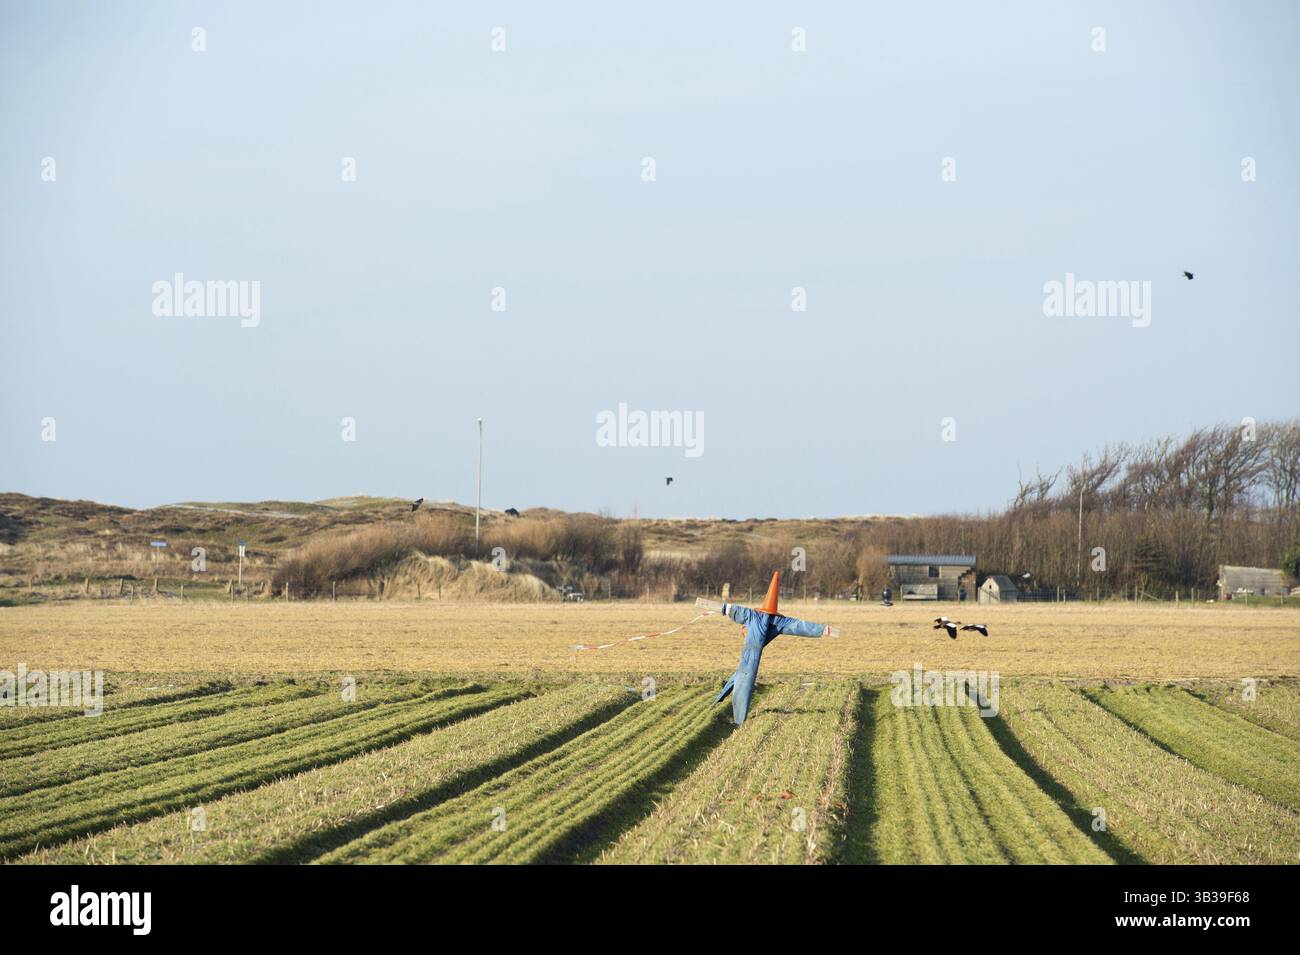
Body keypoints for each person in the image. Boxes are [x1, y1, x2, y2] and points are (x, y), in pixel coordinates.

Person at [698, 572, 838, 725]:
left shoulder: (752, 615)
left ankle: (735, 718)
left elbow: (730, 609)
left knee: (742, 676)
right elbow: (800, 626)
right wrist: (824, 629)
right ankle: (733, 716)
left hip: (750, 655)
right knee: (743, 676)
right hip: (752, 655)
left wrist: (706, 605)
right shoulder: (779, 621)